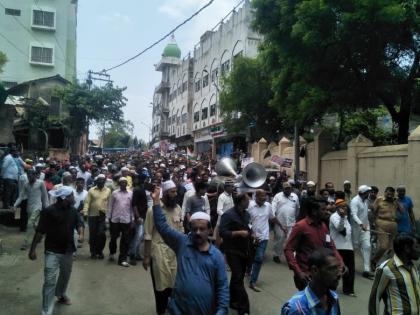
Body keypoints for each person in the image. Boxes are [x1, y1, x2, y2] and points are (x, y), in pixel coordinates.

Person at [151, 186, 229, 315]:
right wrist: (155, 202)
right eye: (194, 229)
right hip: (177, 310)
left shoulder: (217, 256)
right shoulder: (182, 243)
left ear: (210, 230)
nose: (198, 232)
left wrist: (221, 311)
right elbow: (163, 227)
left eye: (202, 229)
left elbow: (222, 288)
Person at [28, 186, 83, 315]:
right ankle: (46, 311)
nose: (73, 198)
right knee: (49, 281)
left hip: (68, 250)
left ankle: (60, 294)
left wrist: (81, 234)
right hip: (52, 250)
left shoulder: (73, 211)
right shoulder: (49, 211)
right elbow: (40, 231)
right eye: (71, 196)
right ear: (64, 198)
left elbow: (79, 223)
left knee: (65, 275)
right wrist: (32, 249)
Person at [284, 198, 343, 290]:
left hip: (323, 273)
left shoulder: (323, 226)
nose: (327, 212)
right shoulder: (301, 226)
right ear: (314, 211)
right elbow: (288, 249)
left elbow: (331, 246)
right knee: (310, 302)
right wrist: (298, 272)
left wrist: (340, 263)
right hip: (307, 276)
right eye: (323, 209)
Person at [143, 180, 183, 315]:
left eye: (176, 191)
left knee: (175, 286)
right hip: (158, 252)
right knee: (161, 288)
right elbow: (148, 234)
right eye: (172, 192)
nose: (175, 194)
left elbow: (181, 231)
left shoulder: (178, 208)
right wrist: (147, 256)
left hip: (175, 253)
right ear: (165, 194)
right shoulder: (153, 210)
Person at [369, 233, 420, 315]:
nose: (419, 250)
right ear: (406, 248)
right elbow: (374, 298)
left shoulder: (413, 266)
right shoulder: (386, 268)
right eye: (416, 247)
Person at [281, 248, 342, 315]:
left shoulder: (334, 297)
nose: (339, 274)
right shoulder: (296, 309)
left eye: (338, 268)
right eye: (332, 269)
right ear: (315, 270)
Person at [219, 192, 252, 315]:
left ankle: (232, 301)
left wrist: (252, 235)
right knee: (238, 280)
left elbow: (248, 228)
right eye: (247, 200)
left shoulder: (246, 214)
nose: (249, 202)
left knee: (237, 278)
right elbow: (222, 232)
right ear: (241, 201)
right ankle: (244, 309)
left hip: (244, 250)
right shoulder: (228, 215)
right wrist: (238, 233)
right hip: (232, 251)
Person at [247, 189, 278, 292]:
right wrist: (251, 233)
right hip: (251, 236)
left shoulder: (268, 206)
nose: (264, 198)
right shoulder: (249, 205)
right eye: (262, 196)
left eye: (265, 196)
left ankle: (253, 281)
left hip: (263, 237)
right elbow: (246, 221)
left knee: (259, 258)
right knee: (250, 257)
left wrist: (282, 226)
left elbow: (272, 218)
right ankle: (248, 270)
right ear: (256, 197)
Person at [14, 169, 49, 250]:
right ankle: (42, 234)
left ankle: (25, 243)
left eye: (31, 176)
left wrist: (46, 207)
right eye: (28, 176)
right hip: (29, 207)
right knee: (35, 225)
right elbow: (21, 196)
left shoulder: (40, 183)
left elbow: (45, 196)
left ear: (35, 175)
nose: (30, 177)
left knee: (29, 224)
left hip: (38, 207)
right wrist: (15, 205)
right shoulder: (26, 185)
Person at [329, 199, 355, 297]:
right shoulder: (334, 217)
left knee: (350, 269)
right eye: (342, 207)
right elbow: (340, 228)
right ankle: (331, 287)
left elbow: (348, 233)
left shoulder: (346, 218)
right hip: (337, 247)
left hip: (348, 247)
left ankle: (348, 290)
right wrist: (342, 217)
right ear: (337, 208)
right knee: (336, 269)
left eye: (345, 206)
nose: (345, 208)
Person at [83, 174, 111, 259]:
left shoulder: (108, 190)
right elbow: (87, 202)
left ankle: (100, 251)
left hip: (103, 216)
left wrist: (109, 215)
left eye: (103, 180)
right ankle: (93, 252)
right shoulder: (91, 190)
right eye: (100, 180)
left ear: (105, 181)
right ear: (97, 181)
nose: (101, 181)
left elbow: (110, 204)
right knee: (93, 235)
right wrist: (85, 212)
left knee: (101, 234)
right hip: (92, 215)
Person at [371, 187, 400, 267]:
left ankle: (387, 266)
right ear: (385, 192)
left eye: (391, 193)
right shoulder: (379, 200)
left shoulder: (395, 201)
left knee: (392, 248)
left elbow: (402, 210)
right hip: (381, 224)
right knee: (384, 246)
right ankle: (374, 260)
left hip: (393, 225)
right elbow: (373, 211)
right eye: (388, 193)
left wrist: (397, 202)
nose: (389, 195)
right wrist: (374, 223)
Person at [107, 177, 133, 267]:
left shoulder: (130, 193)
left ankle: (122, 259)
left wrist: (132, 218)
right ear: (119, 184)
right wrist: (108, 218)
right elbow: (110, 206)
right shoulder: (114, 193)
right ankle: (112, 252)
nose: (123, 184)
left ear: (127, 184)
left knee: (125, 240)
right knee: (114, 238)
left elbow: (131, 207)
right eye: (122, 183)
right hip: (115, 219)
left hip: (126, 219)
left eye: (125, 183)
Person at [272, 182, 300, 264]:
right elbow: (273, 208)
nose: (288, 190)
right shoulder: (277, 196)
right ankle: (276, 255)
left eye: (289, 188)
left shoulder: (295, 196)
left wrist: (295, 219)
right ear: (283, 189)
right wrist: (273, 218)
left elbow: (297, 209)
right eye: (286, 188)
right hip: (280, 222)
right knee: (279, 240)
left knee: (291, 241)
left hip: (291, 222)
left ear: (291, 188)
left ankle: (291, 258)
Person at [350, 185, 374, 279]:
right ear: (363, 193)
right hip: (356, 229)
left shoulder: (366, 201)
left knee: (367, 246)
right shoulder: (355, 201)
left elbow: (365, 214)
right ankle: (346, 266)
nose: (370, 193)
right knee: (354, 248)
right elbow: (353, 215)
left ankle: (366, 270)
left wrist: (367, 224)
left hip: (365, 228)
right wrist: (361, 224)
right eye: (368, 192)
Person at [129, 174, 148, 265]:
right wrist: (137, 216)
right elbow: (134, 204)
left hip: (143, 215)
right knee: (138, 235)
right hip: (139, 216)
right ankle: (132, 254)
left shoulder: (142, 188)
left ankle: (136, 253)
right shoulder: (137, 190)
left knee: (139, 236)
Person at [1, 145, 25, 209]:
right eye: (15, 151)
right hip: (8, 178)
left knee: (13, 192)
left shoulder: (13, 158)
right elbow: (4, 167)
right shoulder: (8, 157)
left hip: (13, 179)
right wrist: (2, 175)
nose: (17, 153)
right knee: (8, 192)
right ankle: (6, 206)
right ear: (12, 152)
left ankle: (11, 205)